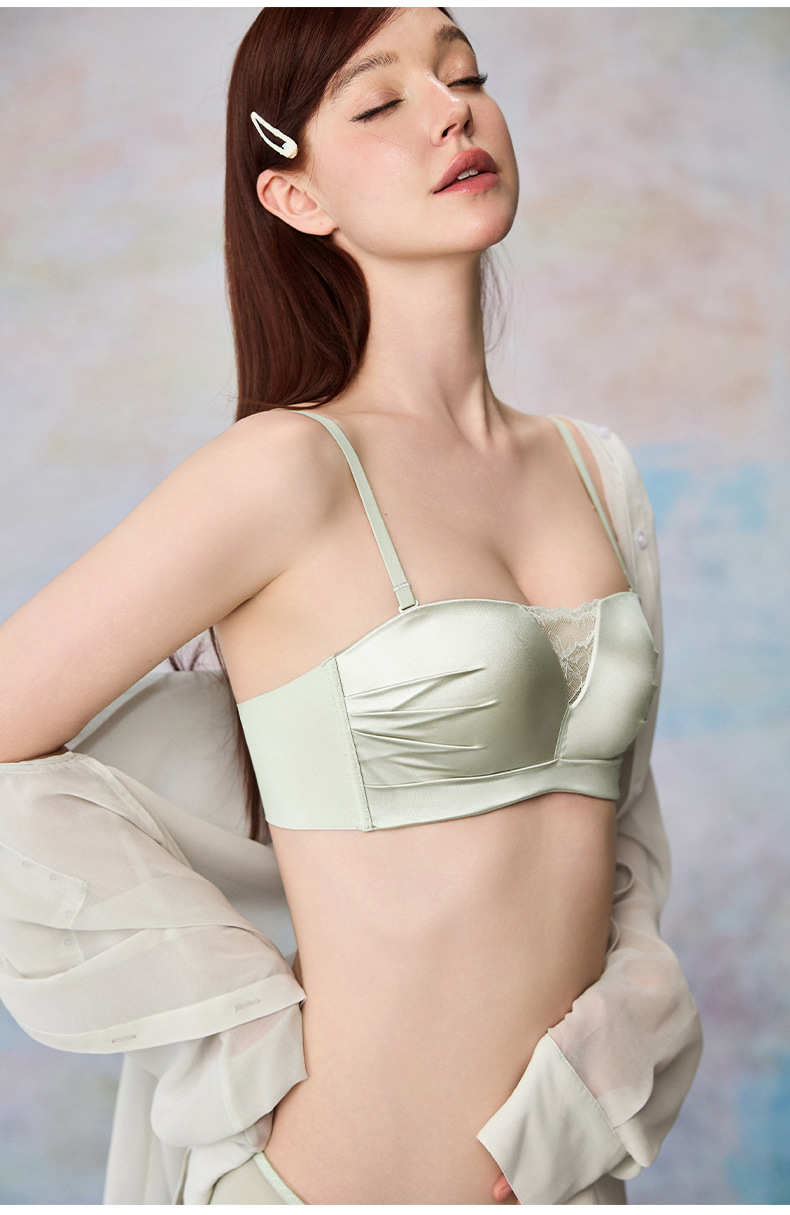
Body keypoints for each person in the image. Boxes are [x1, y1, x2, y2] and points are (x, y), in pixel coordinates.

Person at [0, 7, 703, 1206]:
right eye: (380, 103)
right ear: (296, 197)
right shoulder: (282, 472)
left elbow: (619, 839)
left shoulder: (596, 472)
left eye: (465, 76)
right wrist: (239, 1033)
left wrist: (609, 1061)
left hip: (563, 1180)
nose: (451, 114)